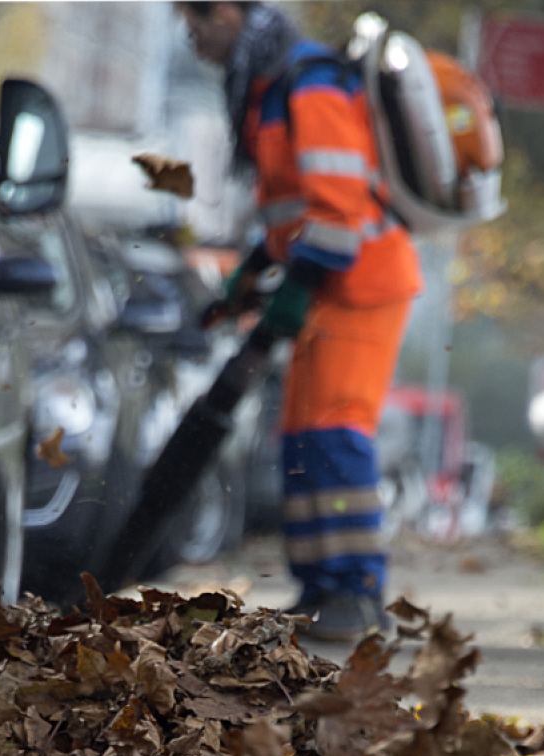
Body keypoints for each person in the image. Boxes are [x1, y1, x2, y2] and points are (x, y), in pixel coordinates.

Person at [180, 1, 423, 640]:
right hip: (330, 286)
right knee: (302, 440)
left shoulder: (308, 81)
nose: (191, 36)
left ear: (228, 14)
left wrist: (290, 292)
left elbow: (338, 207)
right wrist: (255, 271)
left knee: (336, 434)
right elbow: (294, 207)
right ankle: (323, 588)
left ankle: (357, 593)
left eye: (196, 19)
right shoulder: (268, 85)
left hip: (361, 284)